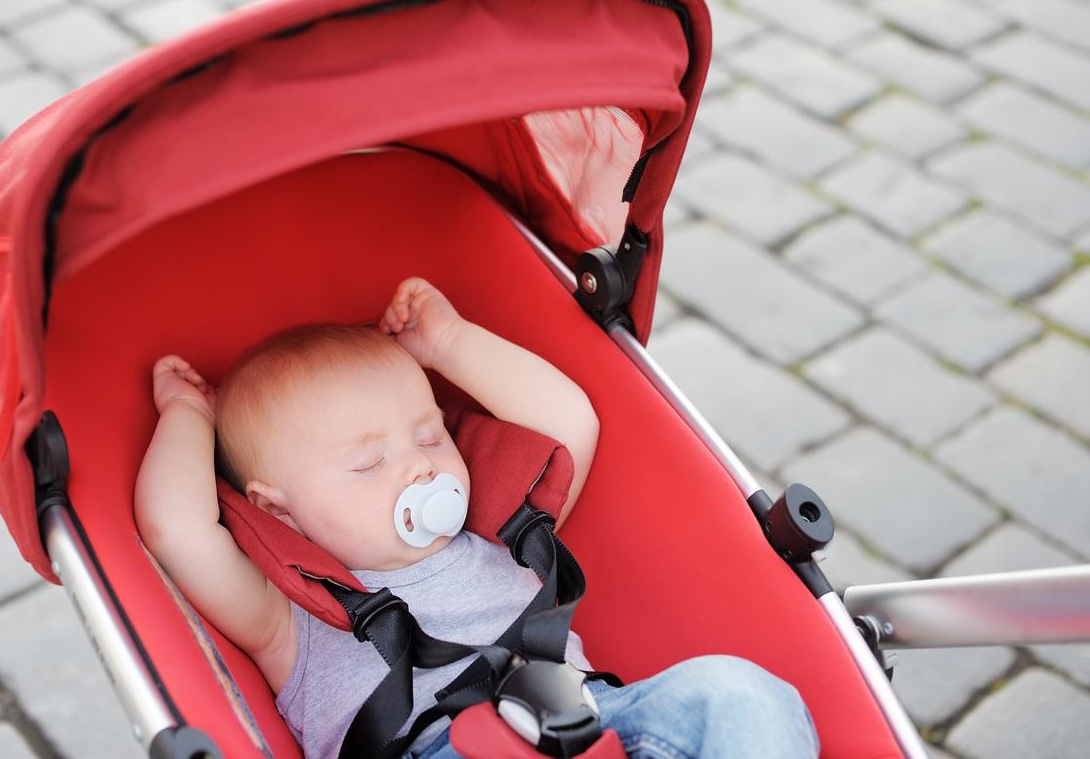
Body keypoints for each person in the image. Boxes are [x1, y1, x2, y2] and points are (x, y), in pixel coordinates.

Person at [136, 277, 819, 759]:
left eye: (429, 435)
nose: (418, 467)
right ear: (278, 508)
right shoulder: (289, 617)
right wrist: (189, 418)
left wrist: (449, 345)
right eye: (369, 464)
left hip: (592, 723)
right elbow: (178, 531)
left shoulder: (500, 538)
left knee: (740, 693)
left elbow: (567, 425)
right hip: (435, 746)